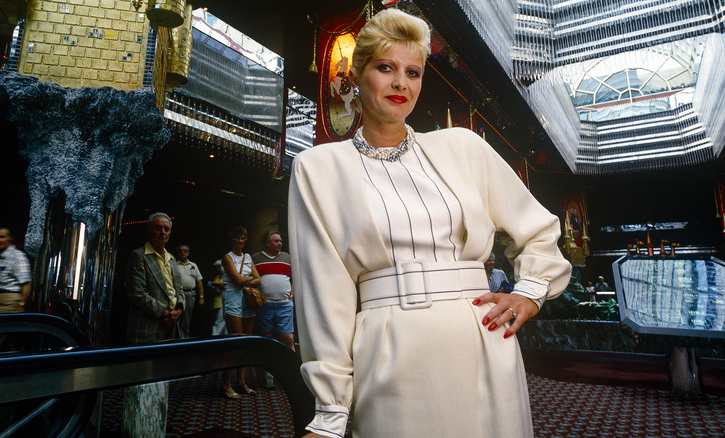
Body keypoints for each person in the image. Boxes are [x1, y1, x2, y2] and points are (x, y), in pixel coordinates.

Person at [288, 8, 572, 438]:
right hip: (387, 346)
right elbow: (324, 294)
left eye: (413, 72)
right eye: (386, 68)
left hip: (482, 338)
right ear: (357, 74)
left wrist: (531, 291)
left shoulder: (462, 146)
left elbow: (538, 228)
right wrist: (330, 411)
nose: (401, 83)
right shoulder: (317, 167)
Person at [124, 212, 185, 344]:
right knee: (144, 365)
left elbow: (179, 291)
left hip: (172, 327)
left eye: (166, 229)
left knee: (168, 364)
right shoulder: (138, 256)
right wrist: (165, 313)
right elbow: (137, 293)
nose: (163, 232)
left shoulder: (172, 259)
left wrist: (179, 310)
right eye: (158, 228)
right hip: (147, 328)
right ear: (149, 231)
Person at [221, 226, 261, 399]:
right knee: (234, 343)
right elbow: (237, 281)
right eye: (237, 237)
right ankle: (226, 385)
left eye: (243, 237)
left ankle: (241, 382)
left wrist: (247, 280)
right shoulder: (227, 257)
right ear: (232, 240)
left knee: (244, 342)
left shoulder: (248, 256)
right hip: (233, 298)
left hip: (247, 299)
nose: (240, 240)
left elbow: (259, 280)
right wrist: (249, 279)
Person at [252, 231, 295, 389]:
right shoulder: (255, 258)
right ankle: (269, 376)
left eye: (280, 241)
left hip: (284, 304)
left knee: (288, 338)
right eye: (276, 241)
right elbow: (251, 279)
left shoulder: (287, 257)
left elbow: (294, 278)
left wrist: (291, 296)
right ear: (267, 243)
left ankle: (293, 372)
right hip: (265, 305)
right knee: (267, 339)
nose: (280, 244)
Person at [175, 244, 204, 338]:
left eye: (185, 250)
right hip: (179, 294)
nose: (183, 252)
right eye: (181, 251)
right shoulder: (174, 265)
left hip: (191, 294)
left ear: (188, 253)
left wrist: (201, 297)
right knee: (177, 317)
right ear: (178, 253)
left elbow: (199, 282)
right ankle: (176, 339)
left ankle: (184, 340)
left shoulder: (193, 265)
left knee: (187, 320)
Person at [210, 259, 227, 336]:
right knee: (221, 321)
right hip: (218, 302)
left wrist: (218, 284)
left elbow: (227, 285)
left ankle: (215, 336)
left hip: (224, 302)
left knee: (219, 321)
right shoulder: (218, 276)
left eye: (218, 267)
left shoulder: (227, 275)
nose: (217, 269)